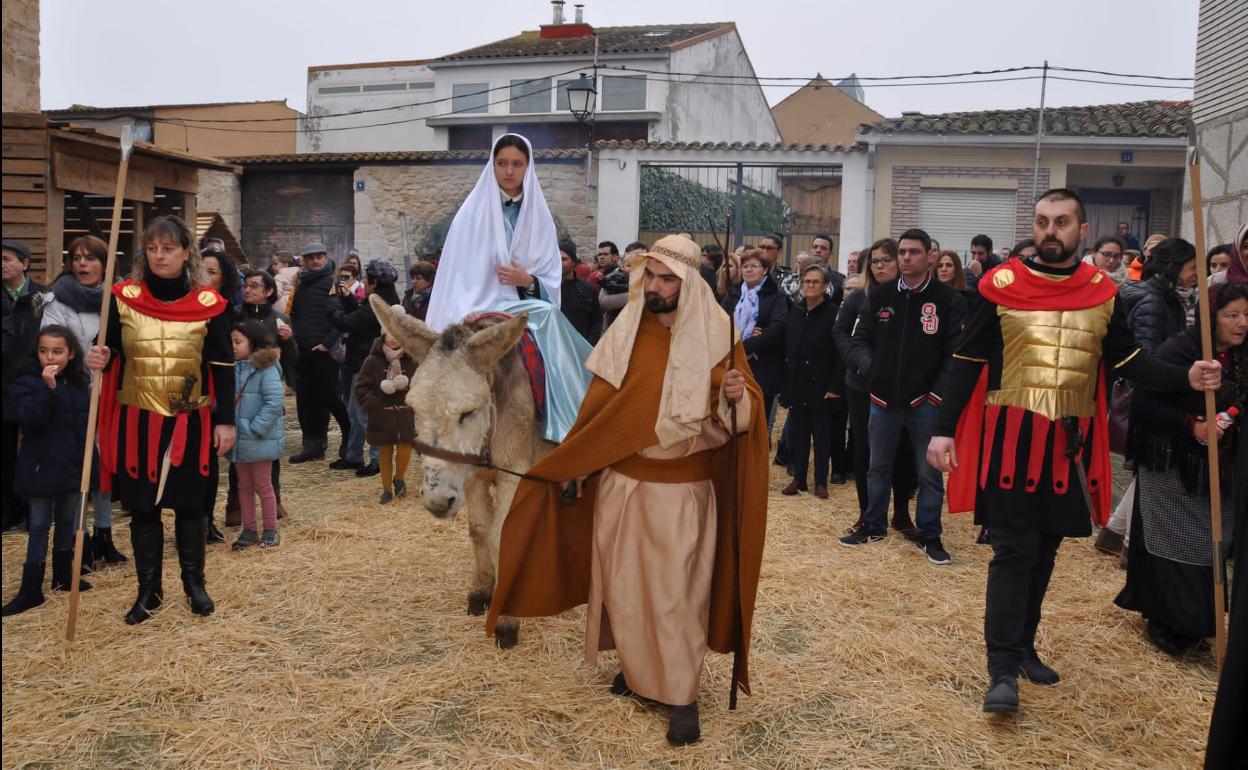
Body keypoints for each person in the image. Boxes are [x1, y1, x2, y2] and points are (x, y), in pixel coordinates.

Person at [927, 188, 1221, 715]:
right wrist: (943, 429)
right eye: (1043, 221)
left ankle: (1023, 647)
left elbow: (1129, 360)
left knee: (1045, 552)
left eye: (1061, 222)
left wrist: (1186, 376)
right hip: (1011, 440)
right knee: (1014, 552)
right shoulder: (1000, 286)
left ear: (1081, 231)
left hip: (1067, 445)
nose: (1050, 231)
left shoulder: (1103, 292)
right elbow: (967, 359)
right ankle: (1001, 668)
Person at [484, 234, 768, 746]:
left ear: (689, 284)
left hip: (681, 492)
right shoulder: (627, 331)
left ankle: (680, 696)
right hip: (621, 486)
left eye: (666, 279)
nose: (654, 286)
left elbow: (742, 418)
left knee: (676, 597)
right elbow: (601, 413)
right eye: (649, 275)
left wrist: (736, 397)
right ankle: (639, 674)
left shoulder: (719, 336)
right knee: (624, 590)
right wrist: (578, 465)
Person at [85, 214, 237, 624]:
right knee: (143, 508)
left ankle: (194, 584)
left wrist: (226, 421)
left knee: (190, 507)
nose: (159, 256)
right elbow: (109, 350)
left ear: (187, 252)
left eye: (168, 248)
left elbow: (222, 366)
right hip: (137, 419)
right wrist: (99, 356)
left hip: (190, 420)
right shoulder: (123, 297)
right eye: (152, 248)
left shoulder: (209, 304)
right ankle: (149, 591)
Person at [423, 133, 591, 443]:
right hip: (474, 304)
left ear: (528, 166)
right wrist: (468, 307)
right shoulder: (470, 215)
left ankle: (571, 407)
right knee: (545, 315)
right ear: (493, 165)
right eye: (502, 163)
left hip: (518, 302)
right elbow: (457, 273)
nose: (509, 171)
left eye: (517, 164)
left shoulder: (540, 217)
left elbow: (549, 275)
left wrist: (528, 281)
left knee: (547, 314)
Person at [1115, 282, 1246, 655]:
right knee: (1173, 544)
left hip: (1219, 472)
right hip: (1173, 468)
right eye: (1232, 315)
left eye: (1247, 315)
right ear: (1210, 318)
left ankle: (1198, 622)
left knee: (1211, 546)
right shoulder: (1179, 352)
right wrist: (1193, 425)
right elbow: (1143, 407)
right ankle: (1167, 621)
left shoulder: (1242, 358)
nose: (1242, 323)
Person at [841, 228, 963, 564]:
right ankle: (873, 525)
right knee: (877, 468)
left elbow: (954, 354)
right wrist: (873, 371)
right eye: (903, 252)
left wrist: (936, 395)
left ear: (929, 256)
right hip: (882, 402)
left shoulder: (947, 300)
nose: (906, 258)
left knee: (928, 474)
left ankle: (930, 535)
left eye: (914, 252)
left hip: (925, 404)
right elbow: (859, 340)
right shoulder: (879, 296)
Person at [40, 235, 127, 564]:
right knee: (80, 466)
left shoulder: (117, 299)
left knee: (104, 465)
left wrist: (112, 355)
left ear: (104, 264)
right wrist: (80, 364)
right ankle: (80, 536)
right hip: (73, 393)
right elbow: (52, 346)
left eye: (90, 258)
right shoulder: (57, 300)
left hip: (108, 392)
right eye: (77, 258)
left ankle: (104, 532)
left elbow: (125, 342)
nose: (82, 264)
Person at [1, 326, 93, 615]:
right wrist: (47, 389)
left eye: (57, 351)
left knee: (67, 520)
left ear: (71, 353)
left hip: (71, 464)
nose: (50, 357)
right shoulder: (27, 382)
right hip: (40, 465)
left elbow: (84, 423)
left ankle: (63, 575)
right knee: (40, 524)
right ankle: (31, 589)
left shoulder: (78, 383)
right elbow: (30, 419)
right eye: (43, 351)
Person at [834, 239, 918, 536]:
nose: (880, 266)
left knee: (904, 450)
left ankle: (902, 513)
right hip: (862, 385)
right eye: (875, 261)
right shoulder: (859, 296)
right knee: (865, 450)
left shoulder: (913, 296)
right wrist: (859, 363)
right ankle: (868, 512)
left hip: (904, 388)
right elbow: (841, 332)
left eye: (886, 260)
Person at [329, 259, 401, 475]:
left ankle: (377, 460)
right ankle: (353, 456)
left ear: (374, 283)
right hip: (362, 363)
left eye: (367, 279)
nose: (364, 283)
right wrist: (348, 299)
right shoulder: (380, 301)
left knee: (366, 414)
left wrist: (333, 302)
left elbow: (347, 322)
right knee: (354, 412)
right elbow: (359, 317)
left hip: (369, 366)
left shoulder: (379, 305)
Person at [780, 264, 845, 498]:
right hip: (797, 384)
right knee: (798, 436)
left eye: (815, 282)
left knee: (821, 437)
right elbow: (788, 348)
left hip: (822, 385)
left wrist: (836, 386)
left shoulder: (834, 313)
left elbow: (840, 355)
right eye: (806, 281)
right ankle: (799, 479)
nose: (810, 286)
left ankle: (820, 482)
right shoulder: (796, 311)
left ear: (825, 286)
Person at [288, 242, 351, 463]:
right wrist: (296, 339)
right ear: (304, 261)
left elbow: (340, 319)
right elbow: (295, 315)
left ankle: (348, 433)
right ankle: (312, 445)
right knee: (305, 399)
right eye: (311, 257)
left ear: (325, 258)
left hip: (325, 352)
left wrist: (326, 343)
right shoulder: (301, 284)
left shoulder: (332, 284)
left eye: (319, 257)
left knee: (329, 396)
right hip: (304, 350)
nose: (315, 261)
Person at [228, 320, 285, 551]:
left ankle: (270, 529)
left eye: (238, 341)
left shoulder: (267, 369)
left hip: (259, 438)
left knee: (263, 484)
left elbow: (275, 403)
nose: (233, 346)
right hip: (240, 439)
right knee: (243, 486)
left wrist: (255, 428)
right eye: (231, 341)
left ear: (253, 342)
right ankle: (249, 529)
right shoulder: (233, 367)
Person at [2, 238, 46, 532]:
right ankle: (8, 510)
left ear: (25, 264)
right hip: (3, 381)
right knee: (4, 450)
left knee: (35, 448)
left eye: (7, 259)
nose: (2, 265)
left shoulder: (43, 296)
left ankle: (35, 511)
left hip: (34, 380)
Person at [722, 248, 789, 439]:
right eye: (745, 266)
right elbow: (720, 324)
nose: (749, 270)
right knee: (732, 419)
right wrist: (740, 347)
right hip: (733, 363)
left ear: (765, 270)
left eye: (754, 266)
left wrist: (747, 346)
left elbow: (777, 328)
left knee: (759, 421)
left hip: (762, 365)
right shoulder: (733, 293)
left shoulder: (776, 295)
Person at [354, 328, 417, 504]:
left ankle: (399, 478)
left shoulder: (412, 360)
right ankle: (387, 489)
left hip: (405, 412)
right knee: (385, 451)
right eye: (390, 333)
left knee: (405, 447)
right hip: (382, 414)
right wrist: (373, 403)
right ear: (384, 335)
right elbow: (361, 386)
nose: (394, 338)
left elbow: (421, 382)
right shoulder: (372, 361)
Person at [557, 239, 601, 344]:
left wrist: (588, 345)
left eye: (563, 259)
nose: (559, 262)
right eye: (556, 258)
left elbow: (597, 320)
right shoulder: (547, 289)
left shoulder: (587, 289)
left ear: (573, 262)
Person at [599, 241, 644, 330]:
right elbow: (603, 302)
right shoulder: (616, 275)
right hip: (616, 324)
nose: (637, 262)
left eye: (642, 258)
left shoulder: (651, 276)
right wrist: (638, 296)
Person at [809, 233, 847, 302]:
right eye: (815, 247)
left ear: (831, 254)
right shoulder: (797, 277)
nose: (818, 250)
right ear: (810, 250)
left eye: (823, 248)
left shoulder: (840, 280)